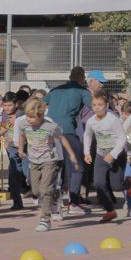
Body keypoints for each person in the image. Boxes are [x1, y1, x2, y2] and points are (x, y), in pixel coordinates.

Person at [18, 99, 80, 231]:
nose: (29, 120)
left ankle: (45, 220)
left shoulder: (50, 127)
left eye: (32, 117)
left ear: (40, 116)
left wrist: (72, 155)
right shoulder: (24, 125)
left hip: (49, 161)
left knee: (45, 190)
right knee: (36, 191)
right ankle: (54, 199)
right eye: (27, 116)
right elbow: (22, 135)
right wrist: (20, 149)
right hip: (34, 161)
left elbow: (62, 139)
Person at [44, 66, 93, 211]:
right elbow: (94, 107)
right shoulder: (83, 91)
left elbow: (40, 103)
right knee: (77, 167)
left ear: (70, 76)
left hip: (49, 131)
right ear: (82, 78)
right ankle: (74, 202)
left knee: (55, 167)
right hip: (67, 131)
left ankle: (52, 201)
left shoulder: (55, 91)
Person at [83, 91, 125, 224]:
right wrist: (87, 153)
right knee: (98, 183)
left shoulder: (113, 120)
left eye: (100, 104)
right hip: (101, 155)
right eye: (94, 105)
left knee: (117, 186)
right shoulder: (91, 121)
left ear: (107, 105)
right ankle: (109, 211)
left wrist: (113, 154)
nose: (97, 107)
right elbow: (87, 135)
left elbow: (122, 138)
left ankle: (129, 184)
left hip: (116, 155)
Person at [0, 92, 26, 210]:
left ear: (16, 104)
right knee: (13, 175)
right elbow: (5, 127)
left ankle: (28, 191)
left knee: (22, 173)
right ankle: (17, 202)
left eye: (10, 105)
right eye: (5, 105)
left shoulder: (20, 114)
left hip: (23, 148)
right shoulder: (5, 114)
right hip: (11, 149)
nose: (7, 108)